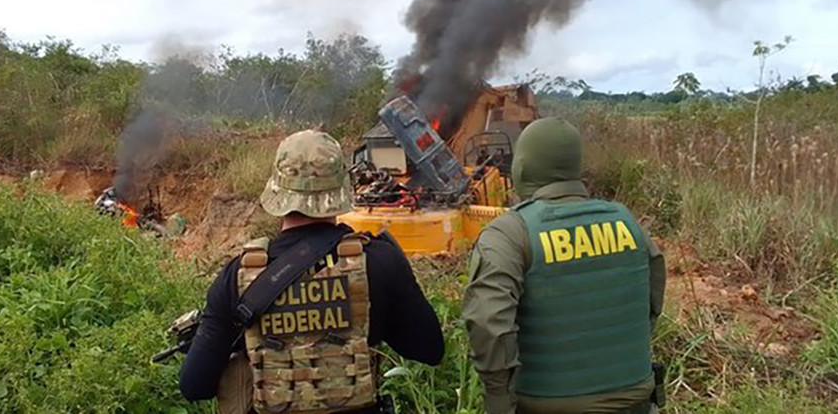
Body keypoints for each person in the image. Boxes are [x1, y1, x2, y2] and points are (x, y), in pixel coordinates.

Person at [180, 129, 445, 413]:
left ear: (277, 191)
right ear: (341, 189)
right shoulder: (379, 262)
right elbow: (428, 349)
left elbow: (194, 385)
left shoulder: (239, 276)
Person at [462, 117, 666, 414]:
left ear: (521, 168)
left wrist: (498, 403)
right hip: (637, 405)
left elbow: (488, 325)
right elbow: (650, 301)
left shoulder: (509, 233)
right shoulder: (628, 223)